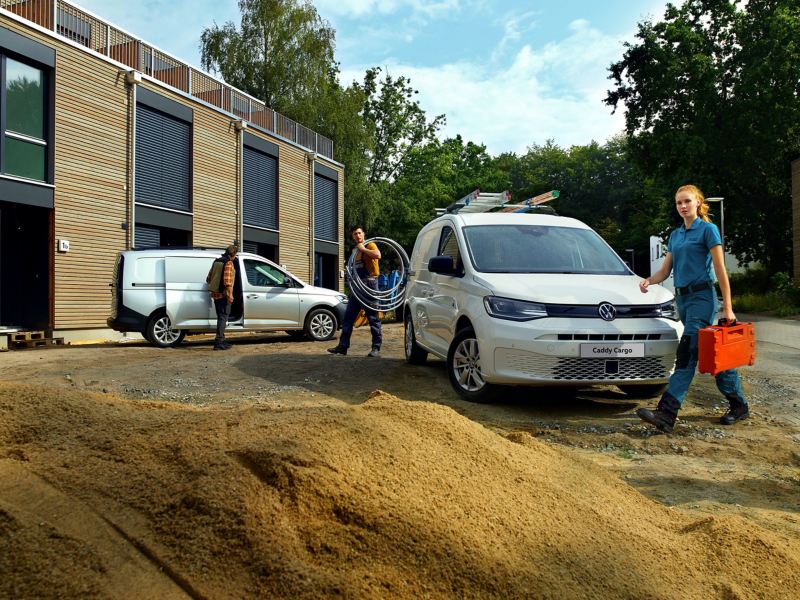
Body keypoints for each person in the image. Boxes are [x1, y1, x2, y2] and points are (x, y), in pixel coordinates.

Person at [636, 185, 748, 433]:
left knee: (686, 352)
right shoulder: (675, 235)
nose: (683, 206)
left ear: (698, 202)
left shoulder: (708, 229)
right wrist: (649, 281)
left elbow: (720, 270)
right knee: (712, 353)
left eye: (687, 201)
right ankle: (739, 404)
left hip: (703, 298)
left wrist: (727, 307)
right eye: (678, 203)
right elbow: (666, 271)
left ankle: (667, 413)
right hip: (683, 301)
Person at [328, 226, 382, 357]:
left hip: (369, 284)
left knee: (373, 318)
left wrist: (363, 249)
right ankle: (343, 347)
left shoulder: (370, 245)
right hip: (357, 286)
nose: (357, 236)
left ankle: (376, 348)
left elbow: (378, 255)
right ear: (352, 236)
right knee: (348, 317)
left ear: (363, 234)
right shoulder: (354, 251)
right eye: (355, 234)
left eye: (359, 233)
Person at [207, 244, 238, 351]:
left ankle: (222, 340)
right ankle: (219, 342)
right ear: (232, 255)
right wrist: (230, 296)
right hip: (224, 295)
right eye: (235, 255)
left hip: (215, 294)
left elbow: (208, 278)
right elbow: (227, 282)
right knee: (223, 318)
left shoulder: (216, 261)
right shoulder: (228, 263)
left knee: (220, 317)